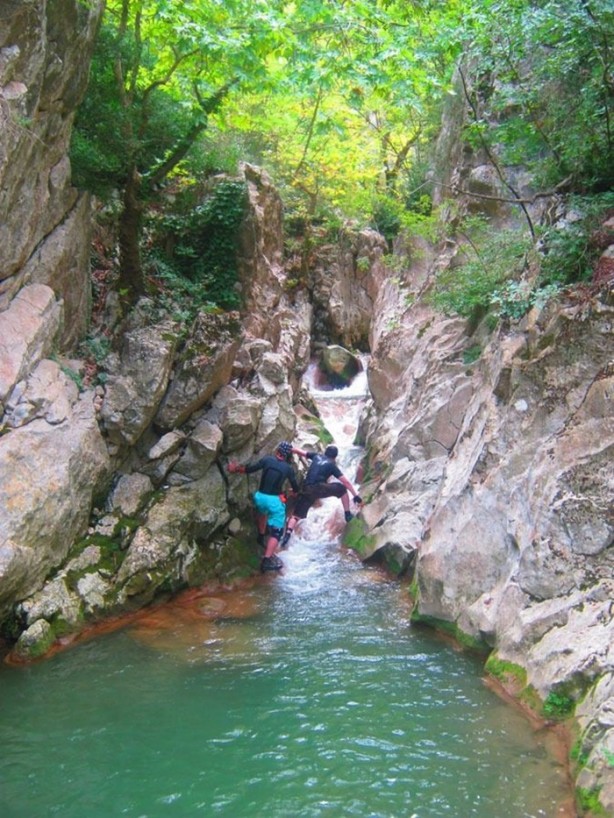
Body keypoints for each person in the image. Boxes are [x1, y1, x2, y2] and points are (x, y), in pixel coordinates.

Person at [227, 440, 299, 573]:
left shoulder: (267, 460)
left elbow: (249, 469)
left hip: (260, 497)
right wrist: (291, 494)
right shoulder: (288, 469)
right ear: (288, 456)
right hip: (274, 501)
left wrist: (234, 468)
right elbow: (295, 487)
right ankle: (266, 560)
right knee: (277, 532)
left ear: (277, 451)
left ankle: (261, 535)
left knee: (263, 512)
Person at [281, 444, 363, 548]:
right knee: (342, 489)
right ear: (335, 457)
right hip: (319, 488)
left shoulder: (316, 456)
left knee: (296, 515)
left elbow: (300, 451)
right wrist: (355, 495)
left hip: (306, 489)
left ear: (325, 453)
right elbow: (345, 482)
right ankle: (347, 514)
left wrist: (290, 449)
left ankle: (287, 535)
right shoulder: (332, 465)